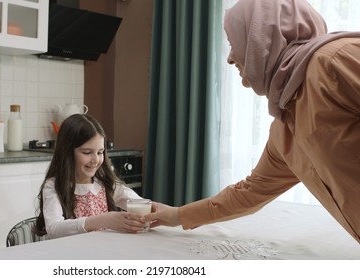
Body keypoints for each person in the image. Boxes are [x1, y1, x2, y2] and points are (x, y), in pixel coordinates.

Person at [145, 0, 360, 244]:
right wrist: (177, 215)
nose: (229, 58)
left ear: (263, 37)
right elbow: (251, 192)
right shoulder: (285, 126)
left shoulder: (334, 61)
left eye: (234, 42)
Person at [34, 113, 145, 239]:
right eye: (87, 152)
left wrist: (160, 212)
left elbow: (141, 204)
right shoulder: (54, 186)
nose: (96, 159)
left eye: (100, 152)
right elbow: (54, 229)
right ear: (67, 152)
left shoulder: (106, 184)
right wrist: (103, 220)